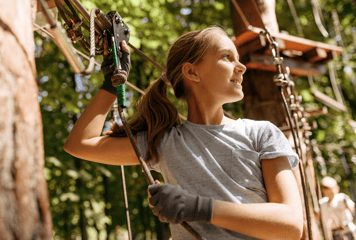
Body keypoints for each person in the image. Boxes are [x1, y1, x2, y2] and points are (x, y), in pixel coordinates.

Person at [64, 26, 303, 239]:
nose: (241, 67)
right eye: (226, 57)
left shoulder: (262, 133)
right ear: (192, 72)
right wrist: (111, 84)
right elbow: (79, 144)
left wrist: (198, 207)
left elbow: (291, 224)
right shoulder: (165, 142)